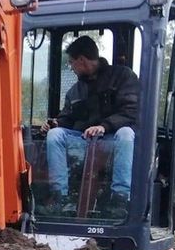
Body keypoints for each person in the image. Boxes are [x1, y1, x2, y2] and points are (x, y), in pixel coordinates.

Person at [42, 35, 139, 217]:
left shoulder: (123, 77)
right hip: (84, 142)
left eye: (72, 63)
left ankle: (120, 198)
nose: (71, 67)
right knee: (55, 135)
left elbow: (131, 111)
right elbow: (68, 117)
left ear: (82, 60)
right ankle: (60, 198)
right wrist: (55, 124)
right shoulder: (76, 90)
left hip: (112, 139)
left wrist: (104, 126)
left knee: (126, 133)